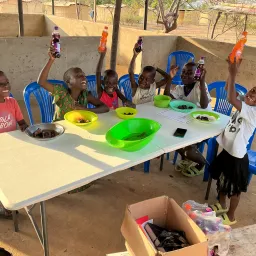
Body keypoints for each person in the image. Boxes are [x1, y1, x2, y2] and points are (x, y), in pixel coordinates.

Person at [209, 57, 256, 225]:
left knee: (235, 189)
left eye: (255, 96)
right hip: (227, 150)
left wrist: (233, 74)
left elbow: (231, 99)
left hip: (237, 157)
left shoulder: (253, 113)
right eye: (252, 91)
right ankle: (221, 205)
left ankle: (231, 215)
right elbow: (229, 89)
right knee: (221, 179)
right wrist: (231, 71)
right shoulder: (245, 101)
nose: (251, 95)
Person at [164, 62, 211, 176]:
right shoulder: (181, 88)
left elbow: (204, 105)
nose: (184, 75)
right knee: (173, 138)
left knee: (188, 148)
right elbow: (166, 97)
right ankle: (187, 158)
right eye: (184, 72)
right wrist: (169, 78)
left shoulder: (200, 87)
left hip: (203, 124)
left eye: (190, 73)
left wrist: (202, 81)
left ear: (197, 76)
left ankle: (202, 164)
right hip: (187, 123)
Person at [37, 47, 109, 122]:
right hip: (61, 130)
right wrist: (51, 60)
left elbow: (105, 108)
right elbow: (41, 82)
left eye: (84, 75)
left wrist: (86, 109)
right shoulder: (62, 93)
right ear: (68, 82)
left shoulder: (85, 96)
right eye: (78, 76)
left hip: (79, 129)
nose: (83, 77)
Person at [0, 71, 28, 219]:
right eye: (1, 84)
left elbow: (21, 122)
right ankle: (2, 206)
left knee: (11, 176)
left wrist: (26, 128)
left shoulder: (12, 102)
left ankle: (9, 204)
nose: (6, 86)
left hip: (12, 149)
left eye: (7, 82)